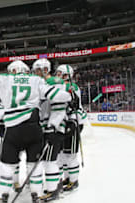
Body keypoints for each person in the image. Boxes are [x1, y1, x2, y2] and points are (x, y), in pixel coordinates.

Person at [0, 60, 72, 203]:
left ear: (13, 70)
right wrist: (70, 96)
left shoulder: (5, 79)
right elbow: (57, 95)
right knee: (34, 164)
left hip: (13, 129)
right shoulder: (36, 80)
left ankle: (4, 196)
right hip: (34, 127)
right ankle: (36, 195)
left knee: (7, 164)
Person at [33, 59, 69, 201]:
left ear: (45, 70)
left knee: (50, 160)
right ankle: (55, 185)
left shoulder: (55, 82)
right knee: (49, 159)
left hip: (53, 127)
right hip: (46, 126)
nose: (35, 73)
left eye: (37, 70)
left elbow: (60, 108)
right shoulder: (42, 83)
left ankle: (53, 191)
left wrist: (53, 126)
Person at [55, 64, 86, 192]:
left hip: (74, 122)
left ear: (66, 75)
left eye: (59, 73)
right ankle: (67, 178)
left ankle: (74, 181)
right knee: (62, 154)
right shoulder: (62, 86)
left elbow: (73, 105)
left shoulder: (72, 87)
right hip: (65, 122)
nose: (57, 75)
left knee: (70, 154)